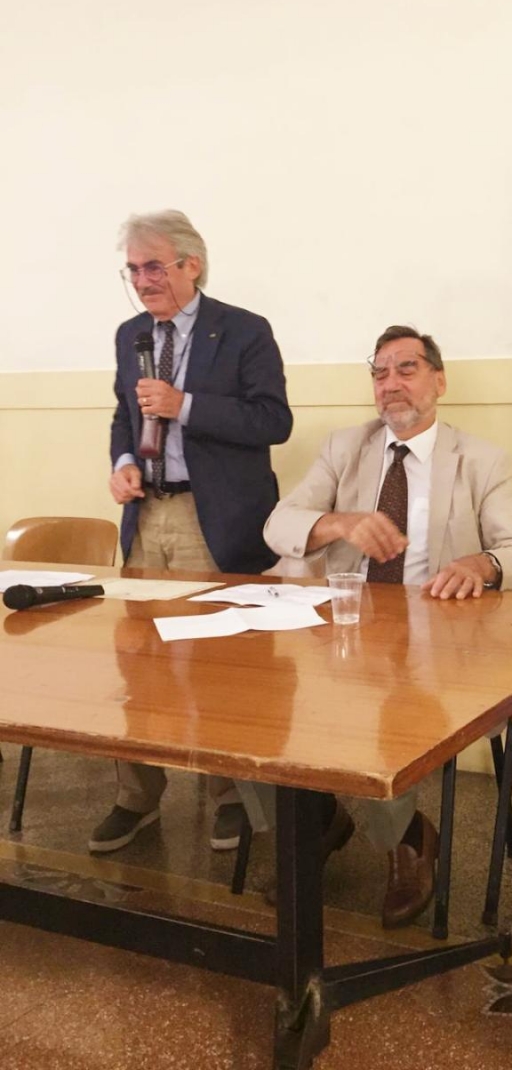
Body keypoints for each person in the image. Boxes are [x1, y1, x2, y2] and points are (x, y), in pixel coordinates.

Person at [265, 324, 512, 925]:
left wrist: (481, 564)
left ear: (439, 381)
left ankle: (405, 840)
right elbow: (279, 524)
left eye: (406, 368)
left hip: (434, 643)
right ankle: (319, 818)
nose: (390, 383)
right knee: (253, 698)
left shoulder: (481, 460)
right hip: (340, 633)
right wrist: (338, 524)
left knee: (384, 707)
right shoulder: (345, 448)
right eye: (379, 372)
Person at [90, 209, 293, 857]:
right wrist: (124, 462)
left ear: (191, 264)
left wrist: (187, 407)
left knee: (222, 664)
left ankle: (231, 795)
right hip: (148, 513)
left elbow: (274, 421)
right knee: (138, 659)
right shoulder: (130, 335)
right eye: (133, 269)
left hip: (216, 516)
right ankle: (136, 796)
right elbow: (124, 416)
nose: (142, 280)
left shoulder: (243, 330)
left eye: (153, 266)